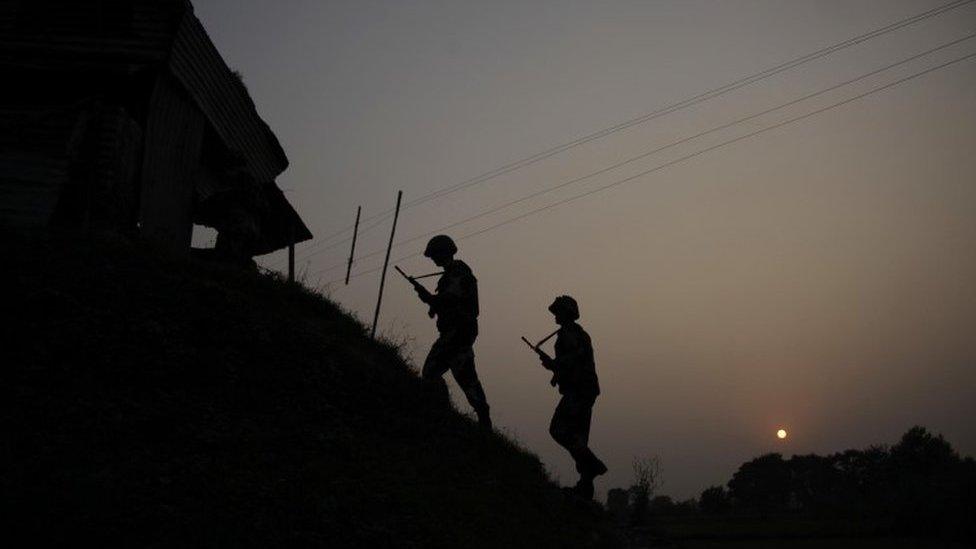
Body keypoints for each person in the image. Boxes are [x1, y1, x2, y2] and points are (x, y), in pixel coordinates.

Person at [411, 235, 491, 429]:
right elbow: (444, 304)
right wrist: (431, 302)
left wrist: (429, 298)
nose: (433, 259)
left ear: (444, 252)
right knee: (465, 376)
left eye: (435, 255)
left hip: (457, 332)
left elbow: (450, 298)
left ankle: (441, 412)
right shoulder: (451, 275)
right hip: (458, 331)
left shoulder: (458, 272)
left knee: (431, 371)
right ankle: (482, 419)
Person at [537, 295, 607, 499]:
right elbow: (571, 362)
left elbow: (575, 358)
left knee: (559, 429)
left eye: (558, 312)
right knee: (578, 436)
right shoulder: (571, 333)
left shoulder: (571, 333)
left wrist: (555, 365)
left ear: (566, 313)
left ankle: (592, 465)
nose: (555, 316)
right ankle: (585, 487)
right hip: (582, 389)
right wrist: (553, 368)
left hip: (579, 390)